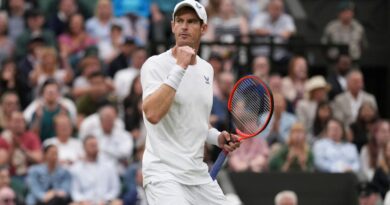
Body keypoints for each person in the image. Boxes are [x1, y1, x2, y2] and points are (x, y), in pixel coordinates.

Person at [140, 1, 240, 204]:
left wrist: (217, 137)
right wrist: (180, 66)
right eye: (180, 21)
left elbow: (196, 122)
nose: (184, 26)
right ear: (172, 26)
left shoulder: (207, 70)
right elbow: (152, 114)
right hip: (163, 174)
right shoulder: (154, 65)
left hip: (197, 175)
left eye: (192, 21)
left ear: (204, 28)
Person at [70, 135, 121, 205]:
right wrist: (83, 200)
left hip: (105, 202)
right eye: (91, 146)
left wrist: (106, 199)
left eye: (96, 145)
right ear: (84, 148)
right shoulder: (76, 168)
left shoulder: (109, 165)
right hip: (85, 202)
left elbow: (115, 188)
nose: (95, 148)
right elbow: (75, 191)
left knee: (118, 203)